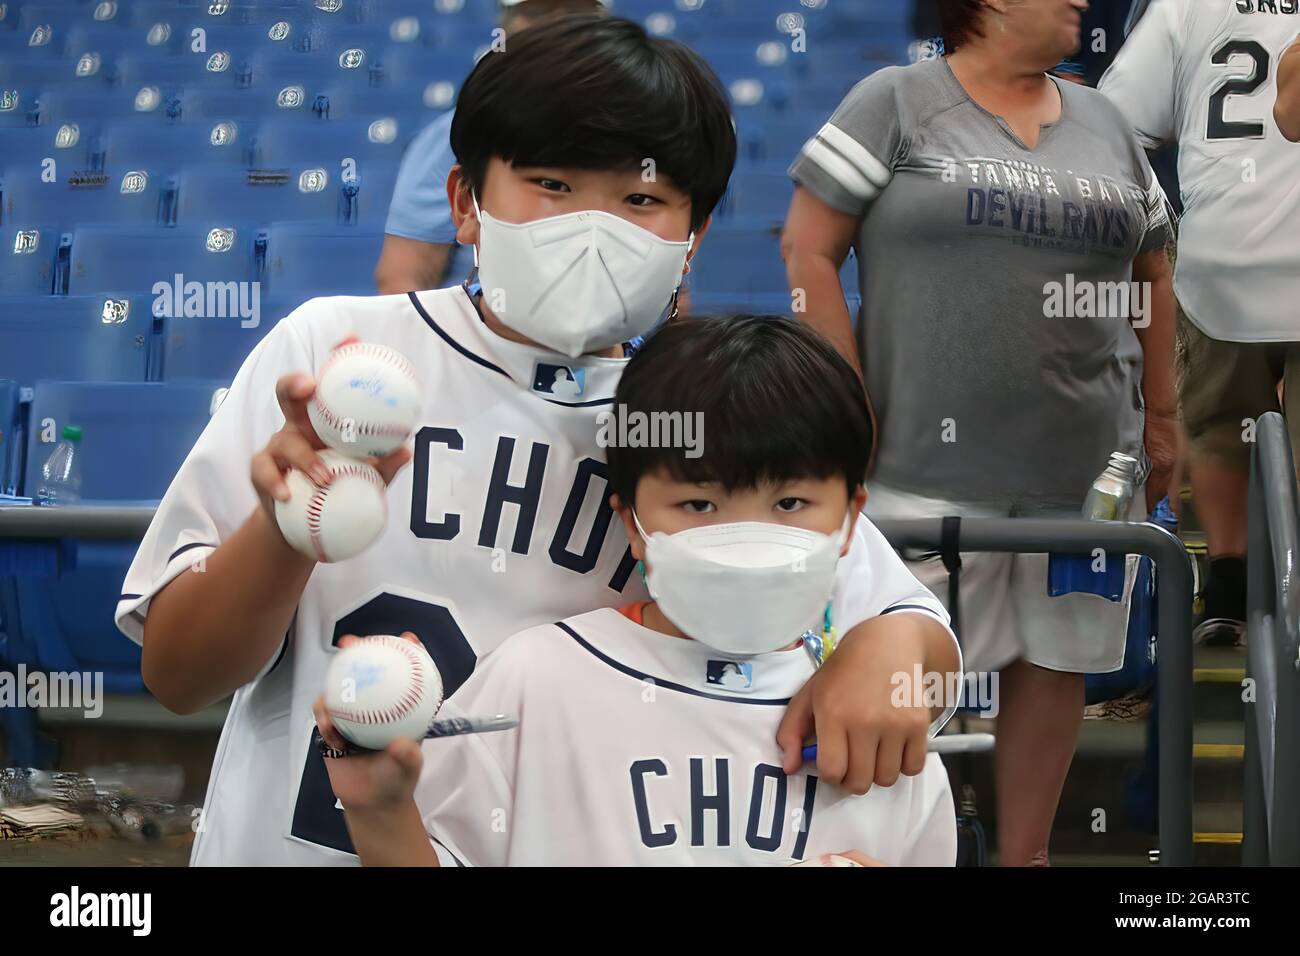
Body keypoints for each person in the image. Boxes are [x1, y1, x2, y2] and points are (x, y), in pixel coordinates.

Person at [117, 15, 958, 866]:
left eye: (641, 200)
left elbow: (908, 636)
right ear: (464, 203)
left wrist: (887, 644)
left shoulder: (700, 411)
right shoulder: (335, 358)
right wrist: (281, 534)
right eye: (551, 185)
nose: (593, 229)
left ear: (693, 235)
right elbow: (180, 678)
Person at [314, 316, 958, 867]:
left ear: (850, 518)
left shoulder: (884, 721)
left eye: (790, 502)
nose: (744, 541)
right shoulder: (535, 681)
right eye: (699, 503)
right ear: (632, 524)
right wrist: (379, 809)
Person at [780, 0, 1177, 865]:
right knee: (908, 663)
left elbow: (1152, 271)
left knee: (1055, 665)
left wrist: (1166, 412)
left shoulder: (1107, 121)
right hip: (918, 468)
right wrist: (844, 396)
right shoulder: (895, 99)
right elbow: (809, 247)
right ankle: (900, 847)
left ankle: (1024, 857)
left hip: (1087, 476)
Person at [1101, 0, 1300, 646]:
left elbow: (1119, 117)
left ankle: (1229, 586)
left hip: (1224, 249)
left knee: (1219, 425)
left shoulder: (1189, 3)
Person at [374, 0, 609, 294]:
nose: (558, 24)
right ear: (507, 28)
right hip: (479, 331)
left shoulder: (641, 129)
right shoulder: (454, 136)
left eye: (577, 11)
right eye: (538, 11)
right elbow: (404, 277)